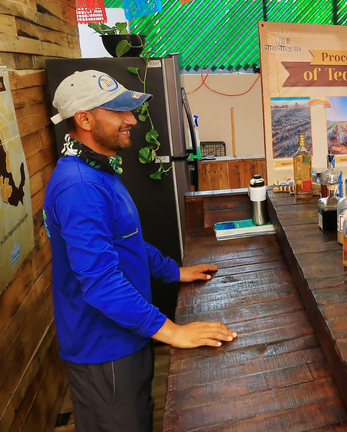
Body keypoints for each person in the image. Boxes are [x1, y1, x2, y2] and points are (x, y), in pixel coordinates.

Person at [44, 70, 237, 432]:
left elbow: (125, 242)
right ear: (84, 119)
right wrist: (173, 332)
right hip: (103, 347)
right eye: (118, 111)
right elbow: (101, 284)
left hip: (126, 334)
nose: (131, 119)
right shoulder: (80, 187)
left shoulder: (98, 171)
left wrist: (172, 271)